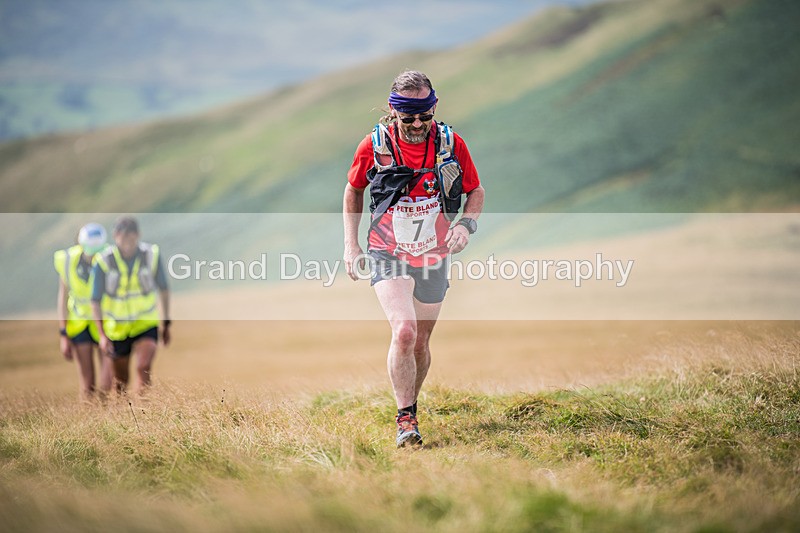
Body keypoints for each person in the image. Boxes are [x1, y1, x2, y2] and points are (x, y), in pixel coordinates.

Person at [343, 70, 485, 447]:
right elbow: (354, 190)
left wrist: (464, 227)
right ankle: (405, 420)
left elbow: (475, 191)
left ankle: (411, 404)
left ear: (434, 106)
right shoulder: (374, 145)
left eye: (425, 115)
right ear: (393, 111)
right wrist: (351, 245)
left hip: (435, 253)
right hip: (387, 249)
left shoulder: (451, 143)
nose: (419, 124)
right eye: (409, 117)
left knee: (420, 343)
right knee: (403, 330)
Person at [90, 216, 171, 393]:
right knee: (121, 381)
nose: (127, 240)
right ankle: (124, 411)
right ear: (115, 236)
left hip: (145, 322)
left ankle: (145, 410)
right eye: (122, 235)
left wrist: (165, 322)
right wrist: (102, 334)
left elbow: (164, 289)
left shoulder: (151, 255)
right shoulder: (103, 261)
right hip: (117, 329)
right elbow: (95, 300)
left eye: (131, 235)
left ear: (138, 235)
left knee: (143, 367)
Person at [54, 222, 113, 400]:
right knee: (87, 383)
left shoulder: (110, 259)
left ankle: (108, 419)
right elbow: (62, 299)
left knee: (107, 382)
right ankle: (89, 420)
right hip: (80, 325)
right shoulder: (68, 262)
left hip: (105, 323)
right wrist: (63, 334)